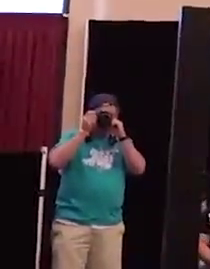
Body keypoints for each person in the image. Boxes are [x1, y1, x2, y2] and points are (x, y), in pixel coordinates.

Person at [48, 93, 146, 269]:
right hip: (72, 224)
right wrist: (83, 133)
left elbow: (139, 168)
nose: (106, 119)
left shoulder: (120, 143)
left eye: (111, 115)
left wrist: (123, 136)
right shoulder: (74, 137)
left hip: (109, 227)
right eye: (102, 114)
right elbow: (55, 161)